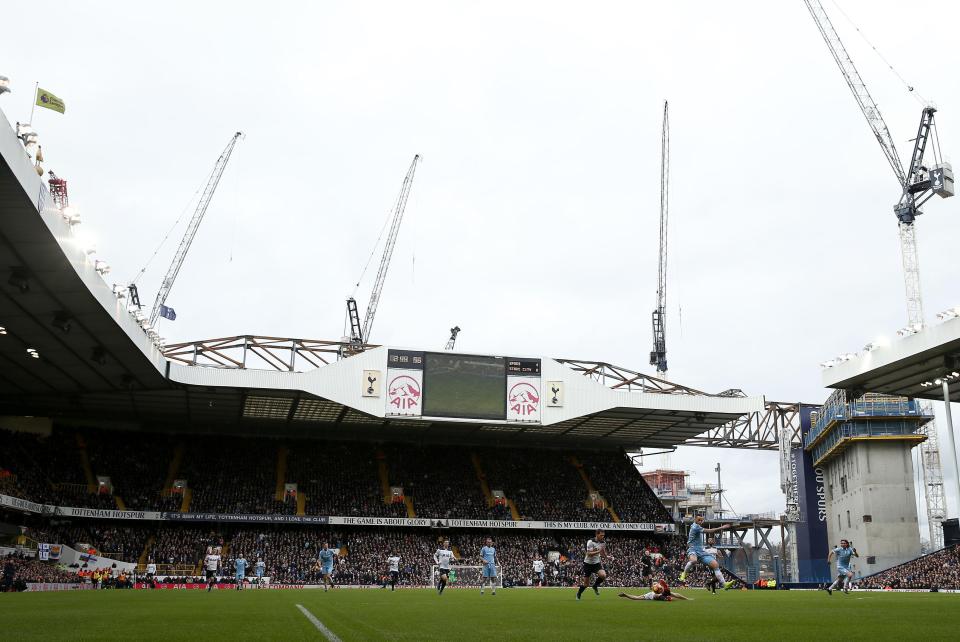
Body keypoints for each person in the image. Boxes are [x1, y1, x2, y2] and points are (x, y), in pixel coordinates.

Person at [679, 515, 735, 591]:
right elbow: (710, 531)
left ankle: (724, 584)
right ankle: (684, 573)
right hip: (693, 549)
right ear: (695, 519)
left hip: (701, 551)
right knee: (694, 560)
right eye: (699, 520)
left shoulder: (695, 525)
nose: (701, 522)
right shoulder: (696, 527)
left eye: (702, 520)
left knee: (715, 565)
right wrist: (722, 527)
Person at [576, 529, 613, 601]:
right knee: (586, 584)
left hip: (596, 563)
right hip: (587, 564)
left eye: (603, 535)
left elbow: (603, 553)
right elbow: (588, 554)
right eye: (601, 535)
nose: (602, 537)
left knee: (603, 575)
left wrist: (607, 557)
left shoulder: (603, 543)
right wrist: (598, 551)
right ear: (597, 534)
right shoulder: (590, 542)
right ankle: (579, 593)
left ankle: (595, 586)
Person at [618, 579, 691, 602]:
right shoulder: (649, 594)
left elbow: (636, 597)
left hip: (659, 593)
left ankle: (667, 597)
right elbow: (636, 597)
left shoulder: (656, 589)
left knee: (672, 593)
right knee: (659, 595)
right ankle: (666, 597)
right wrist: (626, 595)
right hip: (655, 595)